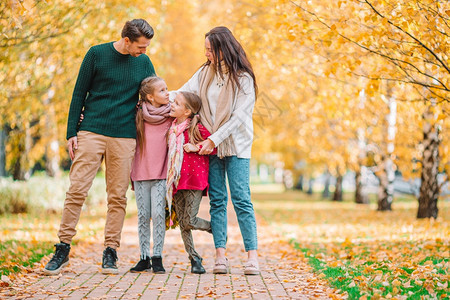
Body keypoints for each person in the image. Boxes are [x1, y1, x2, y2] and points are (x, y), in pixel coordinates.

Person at [43, 19, 156, 276]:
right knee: (77, 190)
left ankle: (110, 252)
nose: (144, 52)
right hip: (92, 130)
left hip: (124, 136)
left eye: (147, 47)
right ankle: (62, 249)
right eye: (141, 46)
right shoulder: (97, 54)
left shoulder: (145, 63)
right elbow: (78, 93)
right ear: (127, 40)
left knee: (117, 197)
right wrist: (72, 131)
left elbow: (155, 94)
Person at [174, 26, 259, 275]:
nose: (207, 54)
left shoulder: (244, 79)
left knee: (242, 199)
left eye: (211, 50)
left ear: (224, 49)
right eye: (206, 50)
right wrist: (150, 96)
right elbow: (181, 95)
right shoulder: (203, 74)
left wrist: (214, 140)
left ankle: (252, 256)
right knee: (218, 201)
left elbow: (239, 117)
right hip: (208, 147)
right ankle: (220, 255)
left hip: (236, 146)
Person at [166, 91, 214, 274]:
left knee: (189, 220)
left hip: (194, 180)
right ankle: (194, 258)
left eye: (177, 103)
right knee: (183, 224)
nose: (173, 105)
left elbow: (213, 145)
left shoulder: (196, 128)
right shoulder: (171, 129)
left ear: (187, 111)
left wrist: (196, 147)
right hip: (176, 181)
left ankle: (213, 227)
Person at [129, 77, 172, 273]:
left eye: (166, 89)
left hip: (161, 173)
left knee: (157, 214)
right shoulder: (138, 114)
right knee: (143, 215)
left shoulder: (171, 114)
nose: (167, 93)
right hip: (140, 172)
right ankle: (144, 257)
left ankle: (157, 257)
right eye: (162, 91)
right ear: (150, 97)